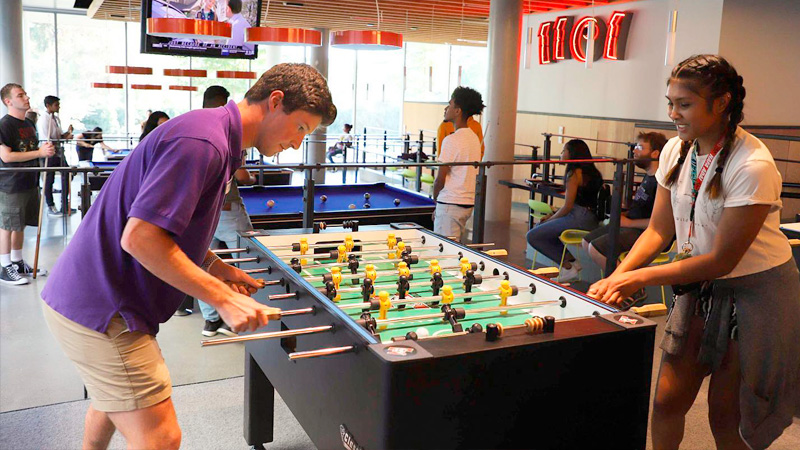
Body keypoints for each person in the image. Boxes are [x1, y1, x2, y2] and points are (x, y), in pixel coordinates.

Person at [40, 63, 336, 449]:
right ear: (275, 102)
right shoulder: (204, 143)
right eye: (300, 128)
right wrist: (221, 297)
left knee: (112, 397)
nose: (297, 144)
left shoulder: (216, 136)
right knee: (161, 437)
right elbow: (141, 238)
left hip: (89, 295)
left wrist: (215, 266)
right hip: (103, 308)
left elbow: (168, 230)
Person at [589, 55, 800, 450]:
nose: (672, 113)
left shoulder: (752, 165)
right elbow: (658, 230)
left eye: (683, 104)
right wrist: (619, 274)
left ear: (720, 103)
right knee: (667, 399)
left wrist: (636, 278)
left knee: (726, 416)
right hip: (698, 284)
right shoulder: (675, 150)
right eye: (670, 103)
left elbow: (723, 260)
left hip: (756, 293)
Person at [197, 84, 257, 337]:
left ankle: (211, 322)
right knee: (250, 260)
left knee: (204, 263)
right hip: (228, 211)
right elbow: (241, 175)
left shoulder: (197, 124)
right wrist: (253, 179)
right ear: (222, 101)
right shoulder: (232, 132)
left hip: (203, 213)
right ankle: (247, 317)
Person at [581, 132, 667, 272]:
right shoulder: (648, 176)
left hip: (645, 232)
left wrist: (629, 222)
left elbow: (662, 222)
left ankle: (626, 288)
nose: (634, 150)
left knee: (597, 249)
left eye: (640, 147)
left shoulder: (660, 182)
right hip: (631, 226)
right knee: (586, 242)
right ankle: (621, 283)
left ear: (655, 153)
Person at [0, 83, 55, 285]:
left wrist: (44, 149)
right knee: (7, 225)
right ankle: (4, 266)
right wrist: (39, 153)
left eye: (25, 94)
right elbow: (6, 156)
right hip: (11, 183)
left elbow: (29, 150)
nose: (26, 98)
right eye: (20, 95)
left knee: (20, 224)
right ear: (8, 101)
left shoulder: (29, 124)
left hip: (29, 181)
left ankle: (17, 261)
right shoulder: (4, 125)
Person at [525, 139, 602, 281]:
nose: (561, 154)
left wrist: (549, 219)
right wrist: (552, 216)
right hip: (590, 217)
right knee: (544, 230)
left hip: (579, 217)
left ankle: (568, 266)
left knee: (533, 235)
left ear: (572, 153)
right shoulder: (592, 172)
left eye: (563, 150)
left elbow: (568, 207)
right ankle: (571, 263)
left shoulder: (574, 173)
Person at [432, 86, 484, 242]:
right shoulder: (474, 138)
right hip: (466, 204)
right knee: (455, 250)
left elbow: (440, 179)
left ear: (458, 111)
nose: (446, 108)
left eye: (450, 104)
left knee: (443, 255)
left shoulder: (451, 140)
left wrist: (435, 201)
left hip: (450, 204)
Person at [38, 95, 73, 216]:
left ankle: (64, 205)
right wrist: (62, 138)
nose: (58, 106)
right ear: (48, 106)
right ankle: (50, 205)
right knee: (49, 179)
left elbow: (59, 137)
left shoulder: (56, 118)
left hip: (58, 152)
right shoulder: (44, 119)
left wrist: (68, 133)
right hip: (49, 152)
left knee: (68, 174)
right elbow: (47, 138)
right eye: (56, 105)